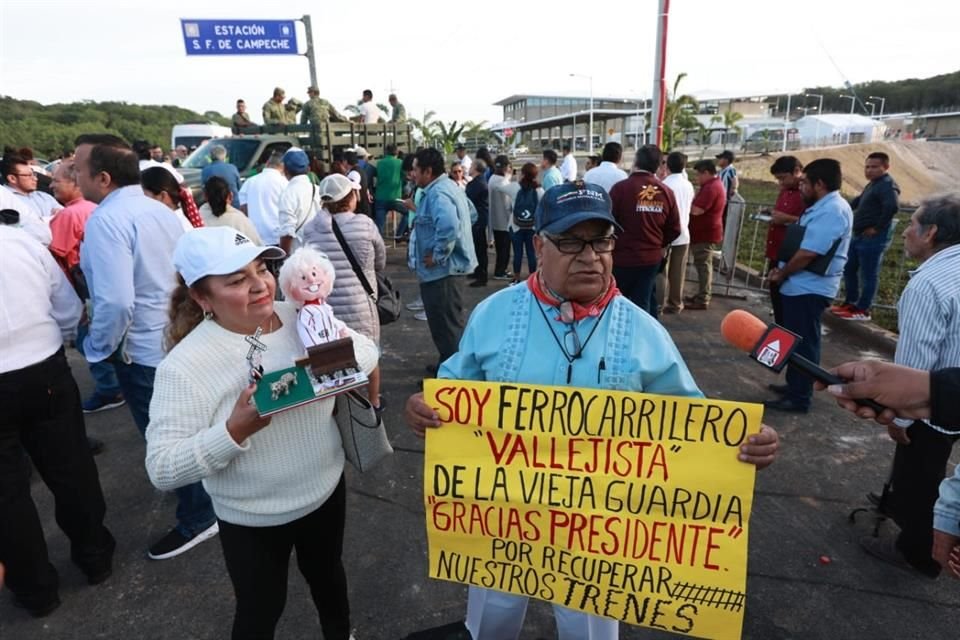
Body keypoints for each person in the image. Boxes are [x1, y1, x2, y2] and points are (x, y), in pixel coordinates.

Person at [403, 181, 780, 640]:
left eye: (601, 240)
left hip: (600, 532)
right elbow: (455, 385)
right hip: (502, 521)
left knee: (591, 628)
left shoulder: (645, 331)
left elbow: (692, 424)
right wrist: (425, 406)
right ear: (539, 246)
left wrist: (739, 444)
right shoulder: (493, 314)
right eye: (570, 241)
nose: (590, 255)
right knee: (491, 617)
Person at [145, 227, 377, 639]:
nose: (260, 286)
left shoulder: (301, 315)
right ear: (202, 298)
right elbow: (162, 468)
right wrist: (232, 432)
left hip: (324, 490)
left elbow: (367, 351)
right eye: (236, 281)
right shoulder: (185, 366)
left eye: (262, 269)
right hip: (251, 517)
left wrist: (323, 363)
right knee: (261, 608)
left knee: (329, 580)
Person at [74, 134, 218, 559]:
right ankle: (204, 503)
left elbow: (116, 300)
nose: (70, 175)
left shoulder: (106, 221)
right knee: (191, 425)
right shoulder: (161, 211)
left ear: (102, 177)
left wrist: (98, 347)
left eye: (77, 169)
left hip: (141, 349)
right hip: (177, 337)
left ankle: (199, 516)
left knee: (166, 437)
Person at [0, 224, 116, 617]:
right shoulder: (21, 242)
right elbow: (68, 309)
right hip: (44, 369)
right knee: (72, 468)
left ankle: (35, 589)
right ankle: (95, 556)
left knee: (6, 495)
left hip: (31, 368)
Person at [857, 193, 960, 577]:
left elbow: (913, 364)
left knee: (921, 475)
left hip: (933, 402)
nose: (903, 233)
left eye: (911, 224)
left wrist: (899, 418)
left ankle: (917, 552)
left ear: (930, 232)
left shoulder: (927, 285)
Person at [764, 158, 852, 413]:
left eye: (805, 183)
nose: (800, 188)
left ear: (820, 184)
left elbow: (808, 253)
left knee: (803, 343)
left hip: (809, 287)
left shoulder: (833, 210)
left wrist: (782, 273)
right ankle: (794, 384)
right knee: (793, 338)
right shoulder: (821, 206)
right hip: (799, 284)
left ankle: (800, 396)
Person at [302, 173, 387, 412]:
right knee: (370, 351)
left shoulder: (310, 230)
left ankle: (348, 403)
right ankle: (374, 401)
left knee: (338, 356)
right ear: (350, 197)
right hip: (361, 302)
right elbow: (380, 260)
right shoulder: (365, 225)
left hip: (328, 306)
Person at [47, 161, 125, 415]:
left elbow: (54, 255)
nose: (51, 185)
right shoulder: (96, 208)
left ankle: (109, 388)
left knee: (87, 339)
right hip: (98, 284)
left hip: (80, 289)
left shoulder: (69, 215)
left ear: (75, 183)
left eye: (57, 181)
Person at [410, 148, 477, 372]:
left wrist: (438, 255)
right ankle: (445, 366)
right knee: (446, 325)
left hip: (444, 272)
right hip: (449, 269)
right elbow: (471, 213)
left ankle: (451, 378)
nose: (412, 175)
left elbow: (448, 225)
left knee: (446, 327)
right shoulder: (448, 187)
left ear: (428, 171)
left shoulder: (438, 193)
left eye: (415, 170)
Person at [610, 145, 681, 319]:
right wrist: (658, 244)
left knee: (618, 303)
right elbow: (674, 229)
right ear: (658, 166)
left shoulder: (620, 189)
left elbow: (608, 223)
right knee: (644, 302)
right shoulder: (666, 192)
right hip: (650, 260)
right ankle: (647, 339)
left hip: (622, 259)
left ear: (635, 162)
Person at [832, 152, 901, 322]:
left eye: (874, 167)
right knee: (849, 269)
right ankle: (851, 302)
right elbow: (858, 201)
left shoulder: (887, 185)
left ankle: (863, 309)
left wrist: (877, 228)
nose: (869, 170)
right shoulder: (873, 184)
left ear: (886, 167)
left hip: (872, 238)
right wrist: (841, 208)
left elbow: (891, 207)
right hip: (858, 235)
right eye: (867, 166)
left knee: (868, 274)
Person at [764, 156, 806, 325]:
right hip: (776, 250)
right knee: (775, 293)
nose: (780, 183)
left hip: (792, 254)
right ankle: (780, 330)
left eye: (783, 178)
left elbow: (809, 221)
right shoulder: (785, 190)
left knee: (789, 300)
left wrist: (787, 218)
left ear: (796, 172)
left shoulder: (807, 194)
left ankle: (787, 335)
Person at [685, 159, 727, 311]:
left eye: (698, 175)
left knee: (703, 266)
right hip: (704, 231)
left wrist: (684, 204)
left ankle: (703, 297)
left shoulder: (711, 188)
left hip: (705, 233)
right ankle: (702, 294)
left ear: (707, 173)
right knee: (702, 265)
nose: (697, 178)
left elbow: (697, 210)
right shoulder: (712, 185)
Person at [493, 162, 543, 284]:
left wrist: (508, 175)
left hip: (516, 226)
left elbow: (497, 186)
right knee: (531, 253)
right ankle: (532, 278)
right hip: (532, 227)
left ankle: (516, 277)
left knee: (517, 253)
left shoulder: (515, 187)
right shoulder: (539, 190)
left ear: (523, 174)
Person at [659, 151, 695, 314]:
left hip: (665, 235)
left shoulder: (665, 185)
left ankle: (659, 302)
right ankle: (675, 302)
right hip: (683, 234)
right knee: (678, 272)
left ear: (667, 165)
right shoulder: (688, 185)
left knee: (661, 272)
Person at [1, 154, 55, 245]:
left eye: (34, 174)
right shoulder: (7, 200)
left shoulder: (45, 197)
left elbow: (65, 217)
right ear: (12, 178)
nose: (35, 178)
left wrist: (42, 221)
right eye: (28, 175)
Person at [238, 150, 288, 248]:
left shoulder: (250, 182)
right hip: (277, 238)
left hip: (255, 237)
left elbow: (243, 209)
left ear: (267, 164)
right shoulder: (285, 183)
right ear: (282, 166)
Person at [278, 148, 320, 254]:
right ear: (308, 169)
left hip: (298, 255)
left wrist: (283, 257)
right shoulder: (318, 190)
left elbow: (287, 232)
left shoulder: (287, 194)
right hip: (320, 252)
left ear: (285, 170)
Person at [199, 177, 263, 244]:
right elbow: (257, 246)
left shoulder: (197, 220)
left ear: (205, 196)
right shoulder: (240, 219)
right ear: (230, 195)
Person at [140, 166, 205, 231]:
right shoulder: (170, 222)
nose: (140, 201)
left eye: (144, 196)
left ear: (163, 196)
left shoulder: (175, 227)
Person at [488, 155, 513, 280]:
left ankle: (500, 269)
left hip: (494, 219)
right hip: (504, 220)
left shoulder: (492, 179)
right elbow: (508, 204)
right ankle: (500, 271)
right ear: (505, 167)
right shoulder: (503, 182)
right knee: (504, 249)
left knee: (500, 248)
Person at [465, 160, 489, 288]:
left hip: (478, 220)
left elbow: (467, 198)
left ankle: (482, 275)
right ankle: (478, 271)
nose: (469, 167)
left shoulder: (477, 184)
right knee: (477, 247)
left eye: (472, 166)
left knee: (480, 248)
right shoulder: (478, 182)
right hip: (478, 219)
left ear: (476, 169)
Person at [374, 144, 403, 235]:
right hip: (396, 198)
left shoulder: (379, 163)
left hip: (380, 198)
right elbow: (404, 177)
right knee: (408, 213)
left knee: (379, 225)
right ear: (396, 152)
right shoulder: (400, 163)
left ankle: (379, 242)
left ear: (385, 152)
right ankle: (399, 234)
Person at [344, 150, 372, 217]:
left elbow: (354, 192)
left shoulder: (353, 173)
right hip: (364, 208)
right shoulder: (360, 170)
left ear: (346, 161)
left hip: (359, 210)